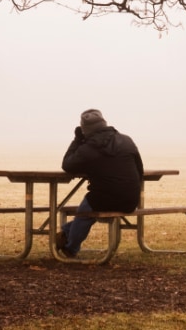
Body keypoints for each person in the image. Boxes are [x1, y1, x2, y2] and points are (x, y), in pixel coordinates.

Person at [56, 109, 144, 258]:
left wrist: (77, 140)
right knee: (87, 209)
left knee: (84, 212)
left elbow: (67, 166)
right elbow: (139, 170)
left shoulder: (88, 148)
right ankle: (65, 233)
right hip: (131, 200)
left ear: (85, 130)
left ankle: (70, 247)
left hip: (104, 199)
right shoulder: (126, 140)